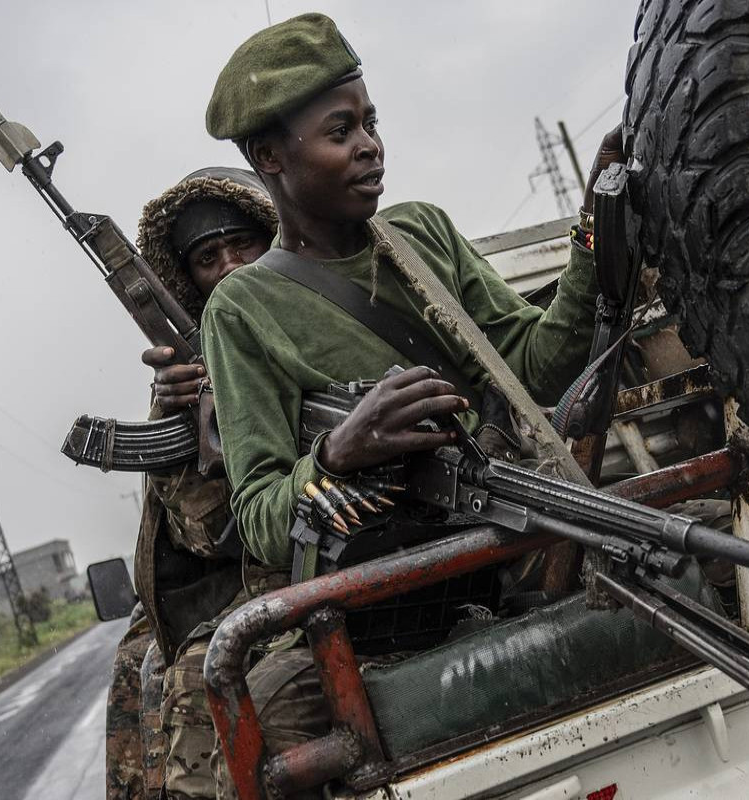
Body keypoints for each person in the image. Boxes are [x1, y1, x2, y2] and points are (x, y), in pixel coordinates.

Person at [195, 12, 625, 796]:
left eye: (370, 122)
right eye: (339, 130)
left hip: (500, 552)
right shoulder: (242, 309)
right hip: (375, 619)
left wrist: (596, 232)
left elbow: (534, 365)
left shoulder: (420, 233)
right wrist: (337, 454)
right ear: (269, 157)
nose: (369, 144)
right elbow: (258, 510)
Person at [104, 166, 276, 800]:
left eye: (244, 244)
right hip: (244, 570)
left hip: (310, 560)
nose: (231, 265)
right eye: (208, 257)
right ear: (189, 281)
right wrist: (180, 414)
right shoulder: (197, 371)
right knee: (139, 659)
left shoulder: (328, 308)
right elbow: (206, 535)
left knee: (190, 672)